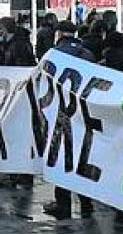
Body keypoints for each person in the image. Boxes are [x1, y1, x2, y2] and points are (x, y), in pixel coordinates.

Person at [44, 21, 103, 220]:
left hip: (61, 113)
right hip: (84, 113)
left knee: (62, 158)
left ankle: (63, 205)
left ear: (58, 33)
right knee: (82, 158)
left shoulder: (54, 54)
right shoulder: (88, 54)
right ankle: (86, 204)